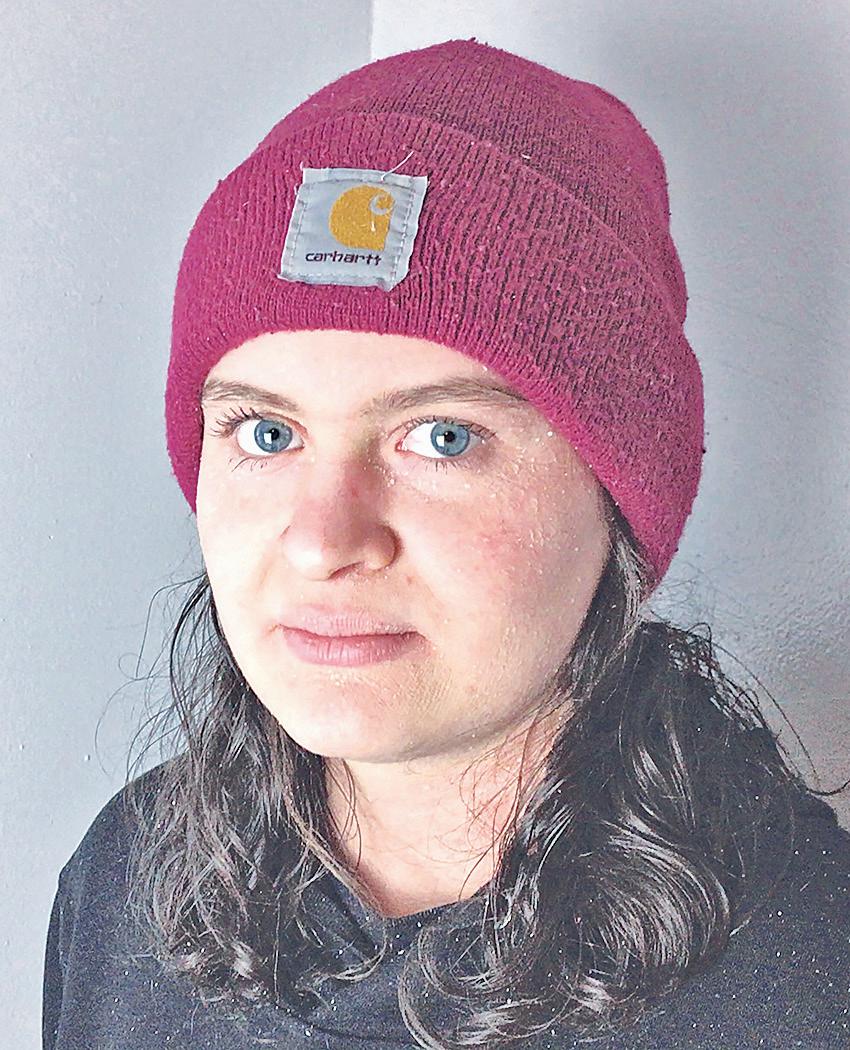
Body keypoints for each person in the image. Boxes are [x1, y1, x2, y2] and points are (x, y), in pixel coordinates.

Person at [42, 37, 850, 1050]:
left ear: (618, 495)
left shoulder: (806, 979)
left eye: (442, 438)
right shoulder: (129, 880)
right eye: (267, 433)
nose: (323, 542)